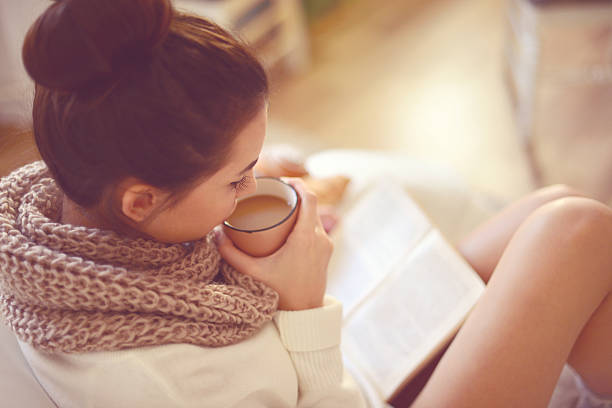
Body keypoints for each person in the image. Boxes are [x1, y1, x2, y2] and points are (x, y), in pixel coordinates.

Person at [0, 1, 610, 407]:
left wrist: (245, 171)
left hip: (346, 369)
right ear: (142, 199)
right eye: (238, 179)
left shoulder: (55, 218)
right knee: (574, 229)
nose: (252, 186)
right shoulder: (157, 378)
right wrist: (304, 306)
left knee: (550, 211)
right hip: (335, 385)